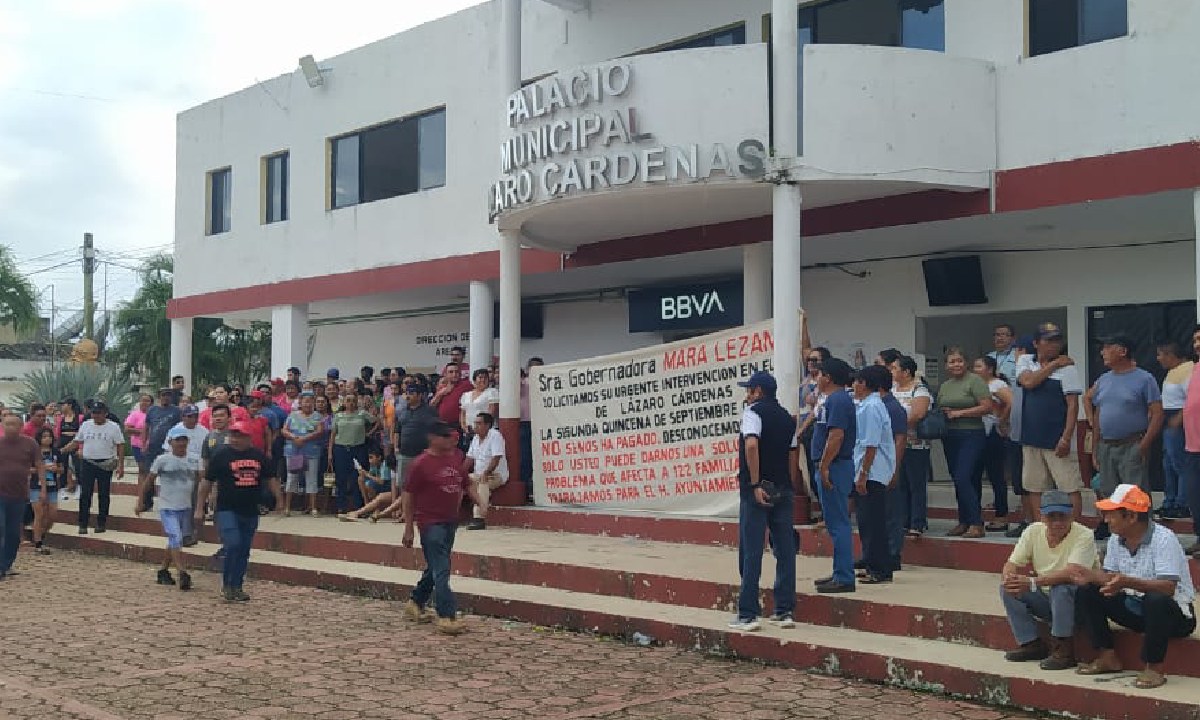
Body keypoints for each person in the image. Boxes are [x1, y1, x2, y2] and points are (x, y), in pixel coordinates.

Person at [1071, 484, 1196, 689]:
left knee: (1155, 599)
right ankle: (1107, 655)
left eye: (1111, 515)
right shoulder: (1115, 539)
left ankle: (1154, 668)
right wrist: (1093, 576)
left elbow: (1168, 588)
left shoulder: (1164, 539)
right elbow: (1112, 577)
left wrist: (1128, 582)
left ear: (1131, 517)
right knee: (1088, 591)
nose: (1106, 520)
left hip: (1173, 616)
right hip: (1135, 606)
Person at [999, 490, 1098, 671]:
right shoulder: (1033, 531)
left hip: (1079, 602)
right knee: (1007, 587)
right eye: (1052, 517)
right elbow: (1011, 563)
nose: (1058, 522)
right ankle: (1031, 643)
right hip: (1047, 598)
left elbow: (1072, 573)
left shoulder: (1084, 535)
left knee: (1061, 587)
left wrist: (1032, 582)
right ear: (1042, 517)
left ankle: (1064, 650)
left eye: (1063, 516)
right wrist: (1009, 577)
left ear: (1071, 514)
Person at [401, 421, 484, 635]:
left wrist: (479, 502)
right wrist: (408, 527)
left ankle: (416, 602)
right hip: (430, 522)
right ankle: (446, 615)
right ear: (433, 438)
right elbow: (408, 494)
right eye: (446, 437)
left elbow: (465, 483)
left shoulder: (455, 459)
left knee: (436, 565)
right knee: (442, 568)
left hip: (450, 520)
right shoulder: (421, 464)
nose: (451, 440)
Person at [1086, 334, 1163, 540]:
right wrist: (1095, 449)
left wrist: (1144, 445)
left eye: (1107, 347)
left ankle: (1145, 537)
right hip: (1106, 446)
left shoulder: (1144, 378)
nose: (1102, 352)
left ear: (1123, 351)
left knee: (1135, 495)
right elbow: (1098, 413)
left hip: (1131, 444)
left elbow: (1157, 413)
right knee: (1110, 495)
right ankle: (1119, 538)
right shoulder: (1104, 379)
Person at [196, 420, 281, 602]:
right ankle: (227, 584)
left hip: (250, 509)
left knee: (243, 549)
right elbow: (206, 482)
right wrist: (199, 507)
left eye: (240, 436)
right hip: (226, 508)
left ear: (248, 438)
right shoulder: (221, 455)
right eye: (233, 435)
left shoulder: (258, 456)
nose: (235, 439)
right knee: (233, 544)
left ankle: (237, 585)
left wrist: (279, 500)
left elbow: (270, 478)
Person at [1016, 323, 1084, 524]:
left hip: (1057, 439)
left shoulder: (1069, 369)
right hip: (1031, 437)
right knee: (1035, 486)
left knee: (1068, 486)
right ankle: (1041, 527)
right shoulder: (1026, 360)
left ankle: (1074, 529)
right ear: (1036, 343)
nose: (1054, 345)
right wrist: (1053, 365)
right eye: (1048, 340)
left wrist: (1066, 437)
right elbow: (1028, 383)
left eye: (1057, 340)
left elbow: (1072, 406)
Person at [937, 347, 994, 538]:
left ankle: (977, 524)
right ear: (946, 365)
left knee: (963, 476)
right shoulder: (945, 385)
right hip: (950, 436)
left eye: (959, 361)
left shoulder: (975, 381)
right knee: (960, 479)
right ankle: (964, 521)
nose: (956, 365)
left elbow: (987, 406)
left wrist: (959, 413)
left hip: (972, 434)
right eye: (952, 361)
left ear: (966, 363)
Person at [812, 359, 857, 593]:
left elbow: (836, 436)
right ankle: (840, 570)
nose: (816, 378)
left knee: (838, 523)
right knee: (834, 522)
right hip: (834, 465)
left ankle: (844, 576)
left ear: (827, 377)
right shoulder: (833, 400)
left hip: (835, 465)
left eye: (819, 374)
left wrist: (824, 466)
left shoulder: (838, 401)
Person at [137, 426, 200, 591]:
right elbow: (149, 481)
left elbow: (202, 481)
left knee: (175, 540)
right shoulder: (162, 460)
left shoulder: (194, 459)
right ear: (170, 442)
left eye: (183, 439)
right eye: (177, 440)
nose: (181, 443)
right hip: (167, 506)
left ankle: (163, 570)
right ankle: (182, 571)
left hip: (186, 507)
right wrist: (141, 501)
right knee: (175, 537)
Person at [851, 365, 896, 585]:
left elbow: (871, 445)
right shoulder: (867, 405)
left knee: (874, 521)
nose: (854, 386)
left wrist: (863, 474)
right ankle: (871, 560)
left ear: (866, 384)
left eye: (858, 381)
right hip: (868, 470)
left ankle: (880, 568)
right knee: (866, 521)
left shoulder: (872, 407)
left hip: (872, 472)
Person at [62, 401, 125, 534]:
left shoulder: (113, 427)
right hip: (88, 462)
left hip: (105, 462)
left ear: (105, 413)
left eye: (99, 413)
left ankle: (101, 522)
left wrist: (121, 465)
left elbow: (120, 445)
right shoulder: (86, 425)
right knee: (85, 494)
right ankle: (83, 523)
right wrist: (62, 450)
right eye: (94, 413)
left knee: (103, 494)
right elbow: (77, 441)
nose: (96, 416)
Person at [889, 355, 931, 545]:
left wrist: (896, 427)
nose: (892, 371)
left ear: (906, 372)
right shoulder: (892, 390)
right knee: (900, 484)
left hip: (915, 444)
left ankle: (917, 522)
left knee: (916, 484)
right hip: (895, 444)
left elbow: (918, 414)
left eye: (895, 368)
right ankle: (903, 520)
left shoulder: (919, 389)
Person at [974, 356, 1013, 532]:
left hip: (993, 435)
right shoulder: (975, 385)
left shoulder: (997, 385)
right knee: (974, 475)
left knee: (996, 476)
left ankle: (1001, 516)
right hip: (977, 433)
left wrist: (1002, 420)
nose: (975, 369)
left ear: (989, 369)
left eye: (979, 366)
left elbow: (1011, 402)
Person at [1155, 340, 1192, 519]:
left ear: (1170, 355)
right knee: (1168, 464)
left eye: (1161, 354)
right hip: (1168, 420)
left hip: (1178, 422)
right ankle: (1169, 501)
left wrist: (1179, 418)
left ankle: (1182, 503)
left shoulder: (1188, 370)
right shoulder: (1173, 372)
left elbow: (1192, 399)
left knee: (1180, 464)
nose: (1158, 358)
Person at [0, 414, 39, 580]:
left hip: (19, 495)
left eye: (15, 424)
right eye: (8, 424)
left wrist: (42, 486)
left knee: (13, 533)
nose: (11, 427)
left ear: (21, 426)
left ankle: (5, 565)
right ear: (2, 425)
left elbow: (39, 464)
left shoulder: (30, 444)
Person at [282, 391, 325, 517]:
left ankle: (313, 508)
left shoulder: (317, 416)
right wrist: (293, 437)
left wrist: (304, 439)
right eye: (305, 400)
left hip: (311, 451)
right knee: (292, 478)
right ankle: (287, 507)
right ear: (300, 402)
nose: (308, 403)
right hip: (296, 452)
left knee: (311, 479)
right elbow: (284, 430)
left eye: (310, 401)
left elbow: (320, 431)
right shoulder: (293, 415)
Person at [328, 393, 374, 513]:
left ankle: (359, 506)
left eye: (353, 400)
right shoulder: (338, 416)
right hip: (341, 449)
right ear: (344, 403)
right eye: (348, 400)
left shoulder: (362, 414)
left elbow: (377, 421)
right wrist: (330, 453)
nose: (351, 403)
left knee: (357, 478)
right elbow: (333, 435)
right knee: (341, 479)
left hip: (358, 449)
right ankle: (341, 506)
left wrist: (369, 433)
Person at [464, 412, 508, 530]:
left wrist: (486, 473)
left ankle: (479, 518)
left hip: (495, 474)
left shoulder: (495, 435)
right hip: (478, 474)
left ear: (488, 425)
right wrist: (460, 474)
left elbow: (496, 458)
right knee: (463, 480)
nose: (475, 426)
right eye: (475, 423)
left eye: (479, 423)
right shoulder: (475, 438)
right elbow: (469, 459)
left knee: (483, 484)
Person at [1181, 325, 1200, 556]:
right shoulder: (1195, 368)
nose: (1197, 344)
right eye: (1195, 339)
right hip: (1192, 446)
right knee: (1194, 495)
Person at [29, 428, 61, 555]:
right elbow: (28, 469)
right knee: (39, 514)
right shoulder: (33, 453)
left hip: (52, 486)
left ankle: (40, 534)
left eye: (49, 436)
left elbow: (62, 469)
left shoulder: (56, 452)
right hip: (36, 486)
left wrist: (56, 469)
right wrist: (42, 468)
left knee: (52, 514)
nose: (47, 439)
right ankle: (38, 543)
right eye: (44, 436)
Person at [143, 388, 182, 477]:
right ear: (159, 397)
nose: (166, 397)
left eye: (168, 395)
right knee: (150, 473)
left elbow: (180, 428)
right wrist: (144, 444)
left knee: (167, 474)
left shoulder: (177, 411)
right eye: (163, 395)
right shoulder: (152, 410)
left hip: (168, 447)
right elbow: (146, 427)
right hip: (153, 446)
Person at [432, 362, 472, 439]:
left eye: (456, 372)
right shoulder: (442, 387)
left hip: (458, 426)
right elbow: (432, 405)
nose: (454, 374)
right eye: (451, 372)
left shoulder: (467, 385)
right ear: (446, 374)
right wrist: (440, 394)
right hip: (442, 425)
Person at [55, 398, 84, 498]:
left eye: (64, 404)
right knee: (63, 466)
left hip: (75, 441)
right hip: (63, 441)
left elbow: (82, 433)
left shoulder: (80, 418)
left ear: (70, 405)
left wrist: (80, 447)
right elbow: (58, 433)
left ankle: (80, 487)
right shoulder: (61, 418)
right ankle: (62, 488)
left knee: (78, 466)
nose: (62, 407)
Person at [124, 393, 151, 488]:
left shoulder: (154, 414)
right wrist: (143, 432)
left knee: (150, 470)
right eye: (142, 400)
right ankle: (141, 493)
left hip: (151, 446)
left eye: (147, 401)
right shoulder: (135, 414)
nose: (144, 403)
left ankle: (148, 492)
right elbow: (127, 429)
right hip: (137, 445)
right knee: (142, 469)